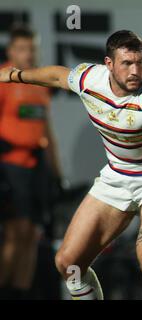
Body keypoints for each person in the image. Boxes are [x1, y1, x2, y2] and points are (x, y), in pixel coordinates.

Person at [0, 30, 142, 300]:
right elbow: (56, 76)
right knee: (69, 263)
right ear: (108, 64)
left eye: (140, 62)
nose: (136, 71)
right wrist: (14, 75)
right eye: (127, 63)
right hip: (117, 176)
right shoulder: (90, 78)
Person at [0, 26, 62, 299]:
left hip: (37, 169)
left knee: (32, 234)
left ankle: (21, 294)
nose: (28, 54)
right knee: (15, 232)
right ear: (11, 51)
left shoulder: (39, 83)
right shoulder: (3, 79)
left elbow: (46, 131)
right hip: (9, 167)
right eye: (22, 49)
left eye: (32, 48)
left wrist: (56, 173)